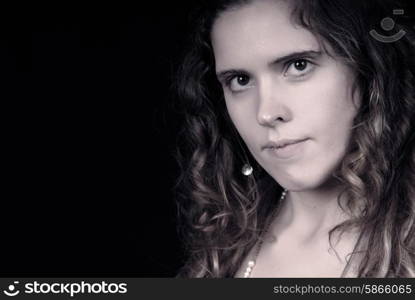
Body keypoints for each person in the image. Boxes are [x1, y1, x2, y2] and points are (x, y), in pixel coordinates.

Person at [172, 0, 415, 278]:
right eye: (240, 80)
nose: (266, 113)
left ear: (370, 68)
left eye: (298, 66)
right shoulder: (226, 242)